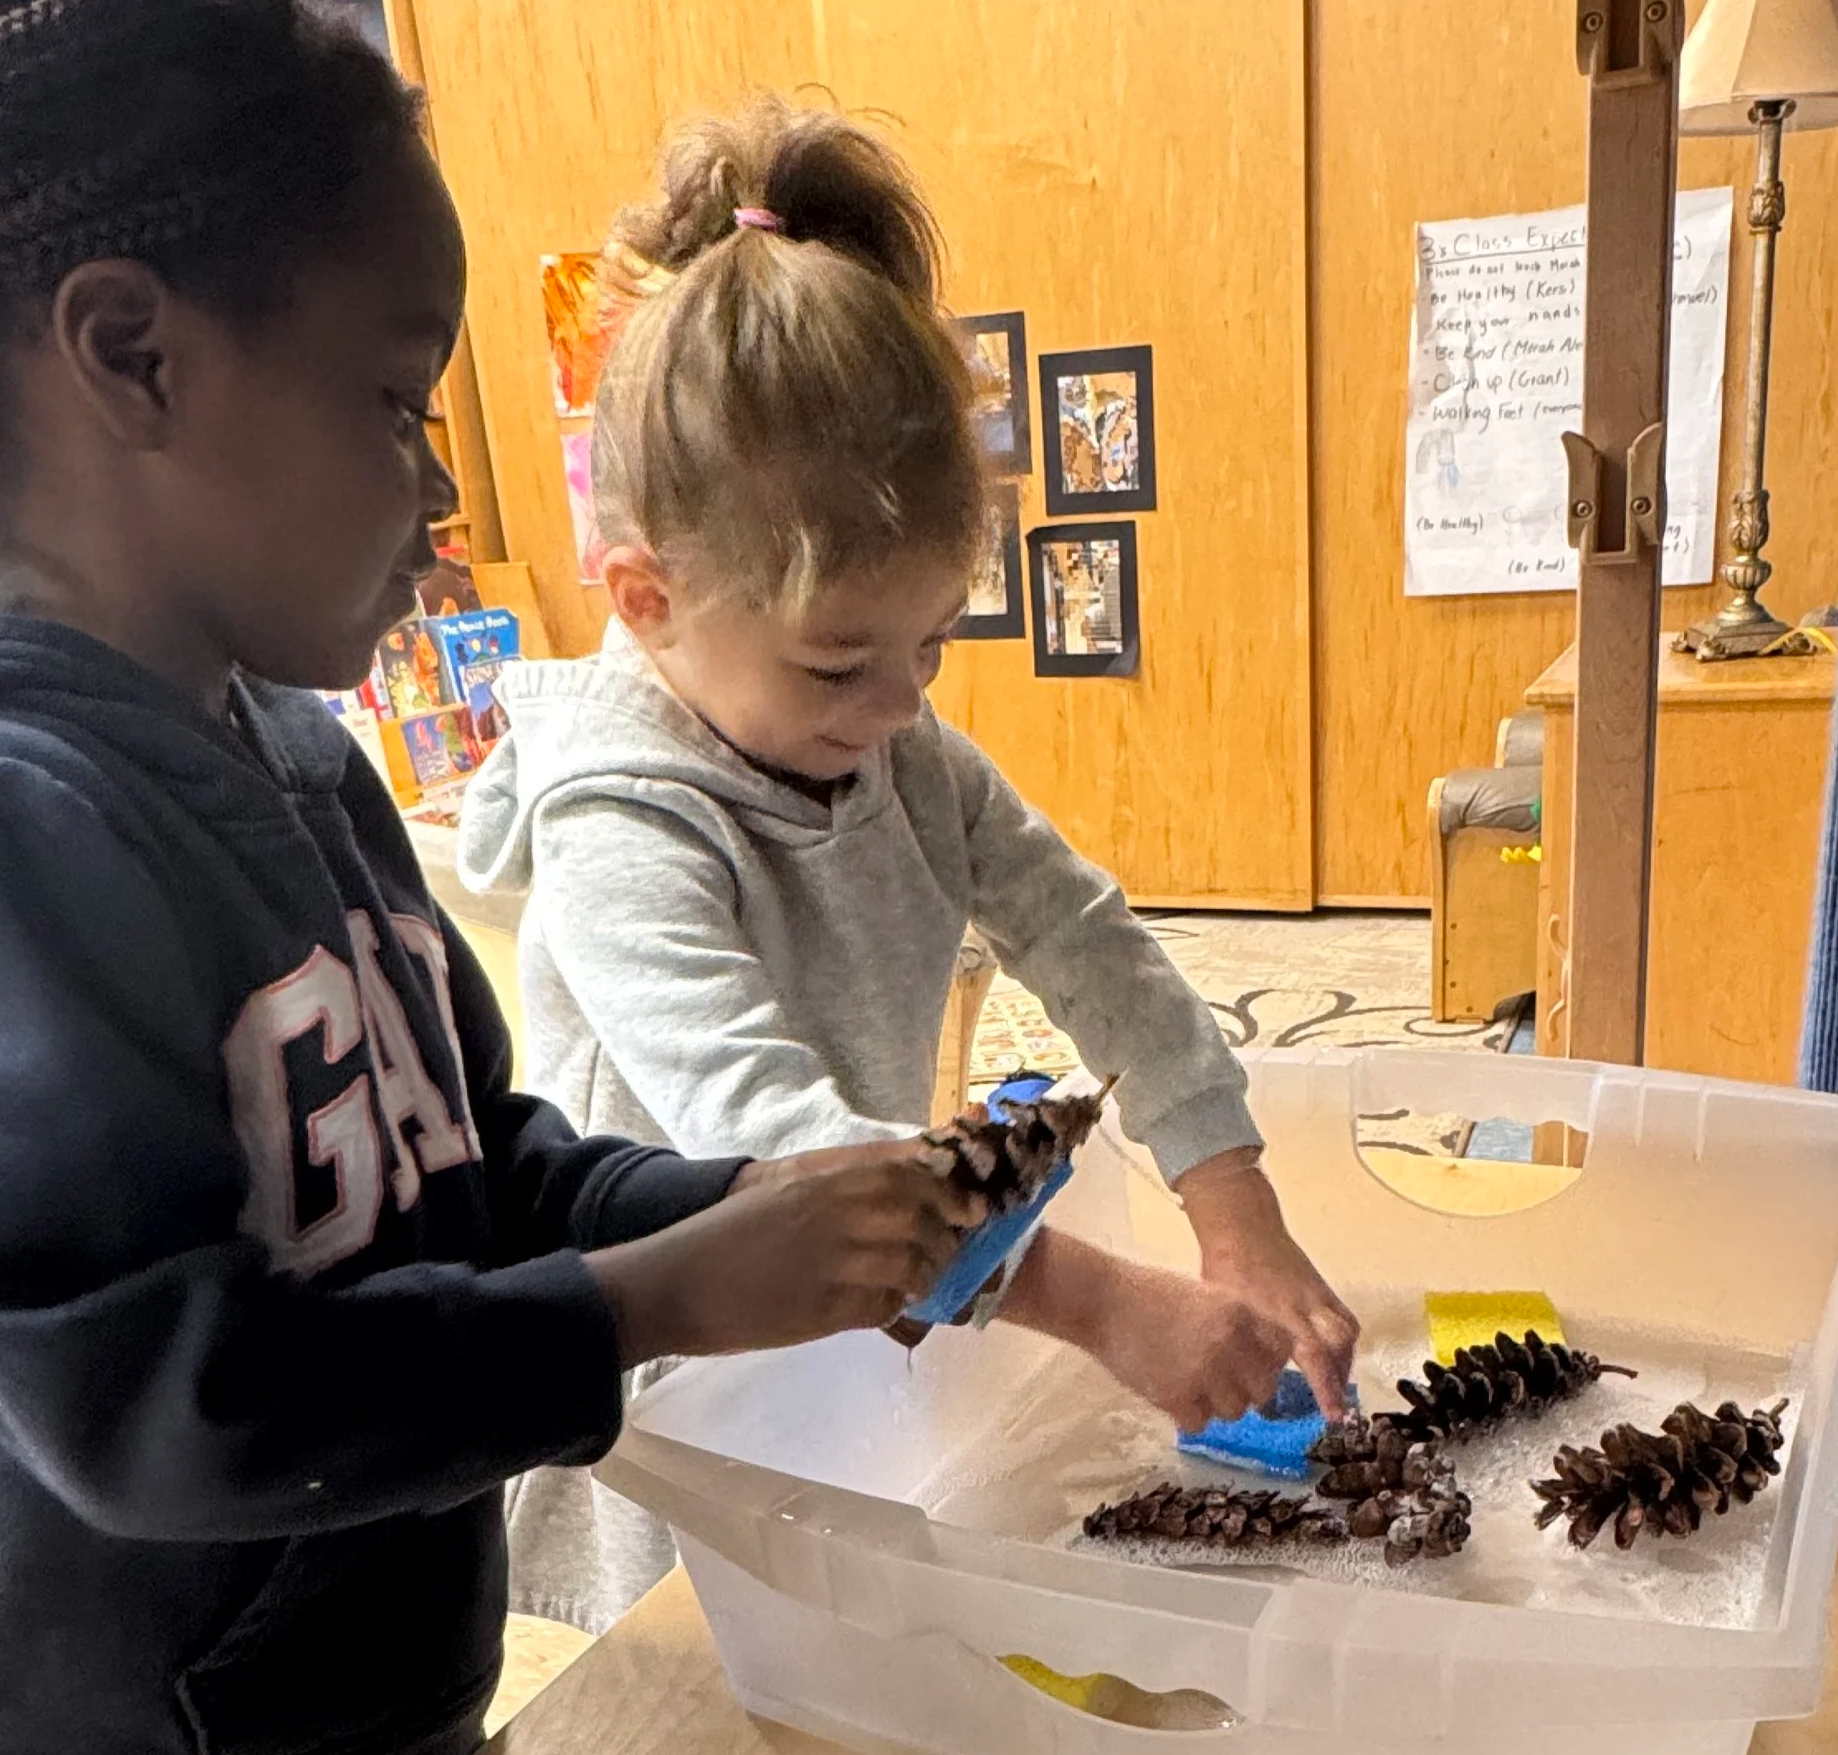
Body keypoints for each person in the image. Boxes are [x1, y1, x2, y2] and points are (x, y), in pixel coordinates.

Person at [0, 8, 973, 1755]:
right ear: (133, 357)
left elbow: (468, 1163)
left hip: (357, 1705)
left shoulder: (288, 754)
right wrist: (660, 1301)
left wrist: (727, 1207)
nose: (439, 491)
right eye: (393, 403)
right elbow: (158, 1393)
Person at [458, 98, 1357, 1634]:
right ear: (646, 595)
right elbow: (783, 1143)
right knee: (705, 1689)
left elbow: (1088, 938)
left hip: (876, 1298)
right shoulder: (617, 823)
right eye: (839, 666)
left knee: (865, 1635)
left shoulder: (895, 751)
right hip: (682, 1369)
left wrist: (1230, 1196)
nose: (899, 710)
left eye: (932, 645)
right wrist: (1098, 1300)